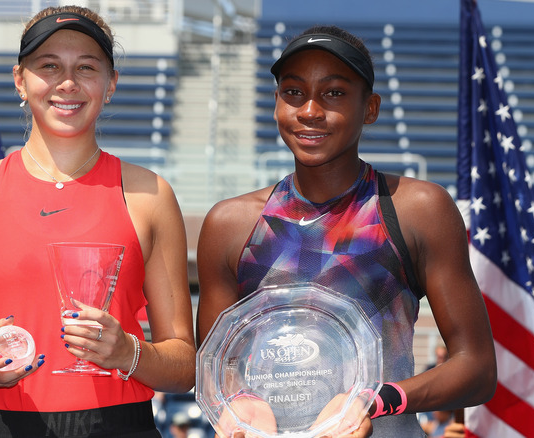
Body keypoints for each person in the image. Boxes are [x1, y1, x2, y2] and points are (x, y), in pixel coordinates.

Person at [0, 5, 195, 437]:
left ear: (110, 84)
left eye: (87, 67)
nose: (68, 83)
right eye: (49, 65)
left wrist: (129, 352)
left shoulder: (150, 196)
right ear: (20, 80)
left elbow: (183, 366)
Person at [195, 25, 496, 437]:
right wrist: (241, 403)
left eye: (334, 92)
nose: (310, 111)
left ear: (370, 108)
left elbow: (477, 367)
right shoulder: (229, 224)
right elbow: (217, 366)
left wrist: (373, 400)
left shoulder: (417, 209)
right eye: (294, 92)